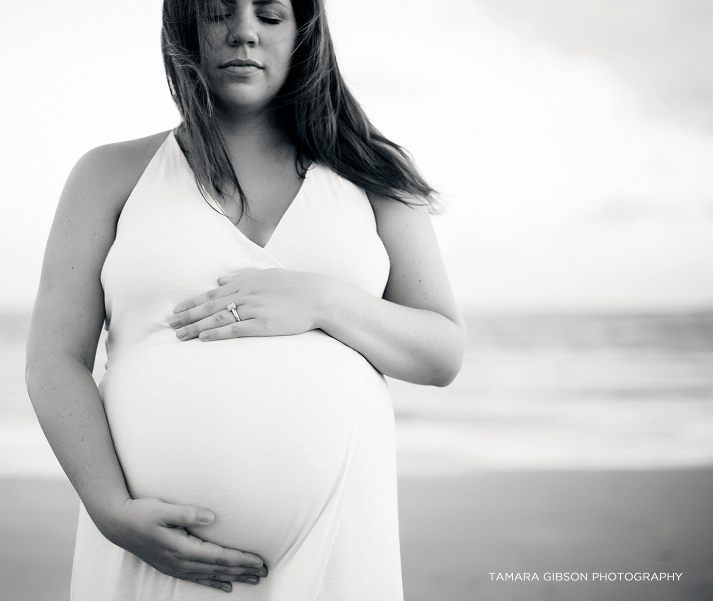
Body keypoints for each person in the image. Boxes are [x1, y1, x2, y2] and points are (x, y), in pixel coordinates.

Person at [25, 0, 465, 598]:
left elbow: (441, 353)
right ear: (186, 28)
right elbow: (54, 359)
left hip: (334, 545)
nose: (244, 33)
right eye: (216, 12)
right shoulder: (111, 174)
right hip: (154, 549)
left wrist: (324, 302)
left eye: (271, 15)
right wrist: (110, 510)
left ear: (303, 33)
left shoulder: (374, 176)